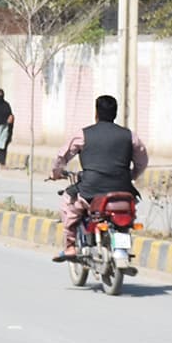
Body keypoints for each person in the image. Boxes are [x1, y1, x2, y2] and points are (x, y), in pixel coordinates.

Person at [49, 95, 148, 260]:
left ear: (96, 113)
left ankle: (70, 247)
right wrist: (131, 176)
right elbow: (142, 160)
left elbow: (62, 156)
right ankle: (121, 247)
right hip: (123, 189)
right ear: (115, 113)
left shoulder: (83, 135)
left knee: (68, 201)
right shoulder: (130, 136)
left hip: (91, 190)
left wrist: (56, 173)